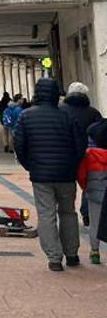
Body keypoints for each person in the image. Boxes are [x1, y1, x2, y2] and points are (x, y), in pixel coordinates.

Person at [13, 77, 87, 271]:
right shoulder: (67, 116)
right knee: (69, 212)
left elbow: (19, 146)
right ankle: (72, 254)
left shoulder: (26, 116)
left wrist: (30, 165)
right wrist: (71, 164)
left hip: (41, 175)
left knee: (46, 214)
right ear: (56, 94)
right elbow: (80, 145)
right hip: (65, 174)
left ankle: (54, 258)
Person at [61, 82, 102, 225]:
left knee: (67, 185)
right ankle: (86, 212)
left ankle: (67, 212)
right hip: (89, 154)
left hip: (66, 154)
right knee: (88, 183)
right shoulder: (93, 112)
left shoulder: (60, 111)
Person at [76, 118, 107, 264]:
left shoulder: (89, 154)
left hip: (95, 192)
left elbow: (82, 175)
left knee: (95, 221)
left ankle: (95, 251)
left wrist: (86, 188)